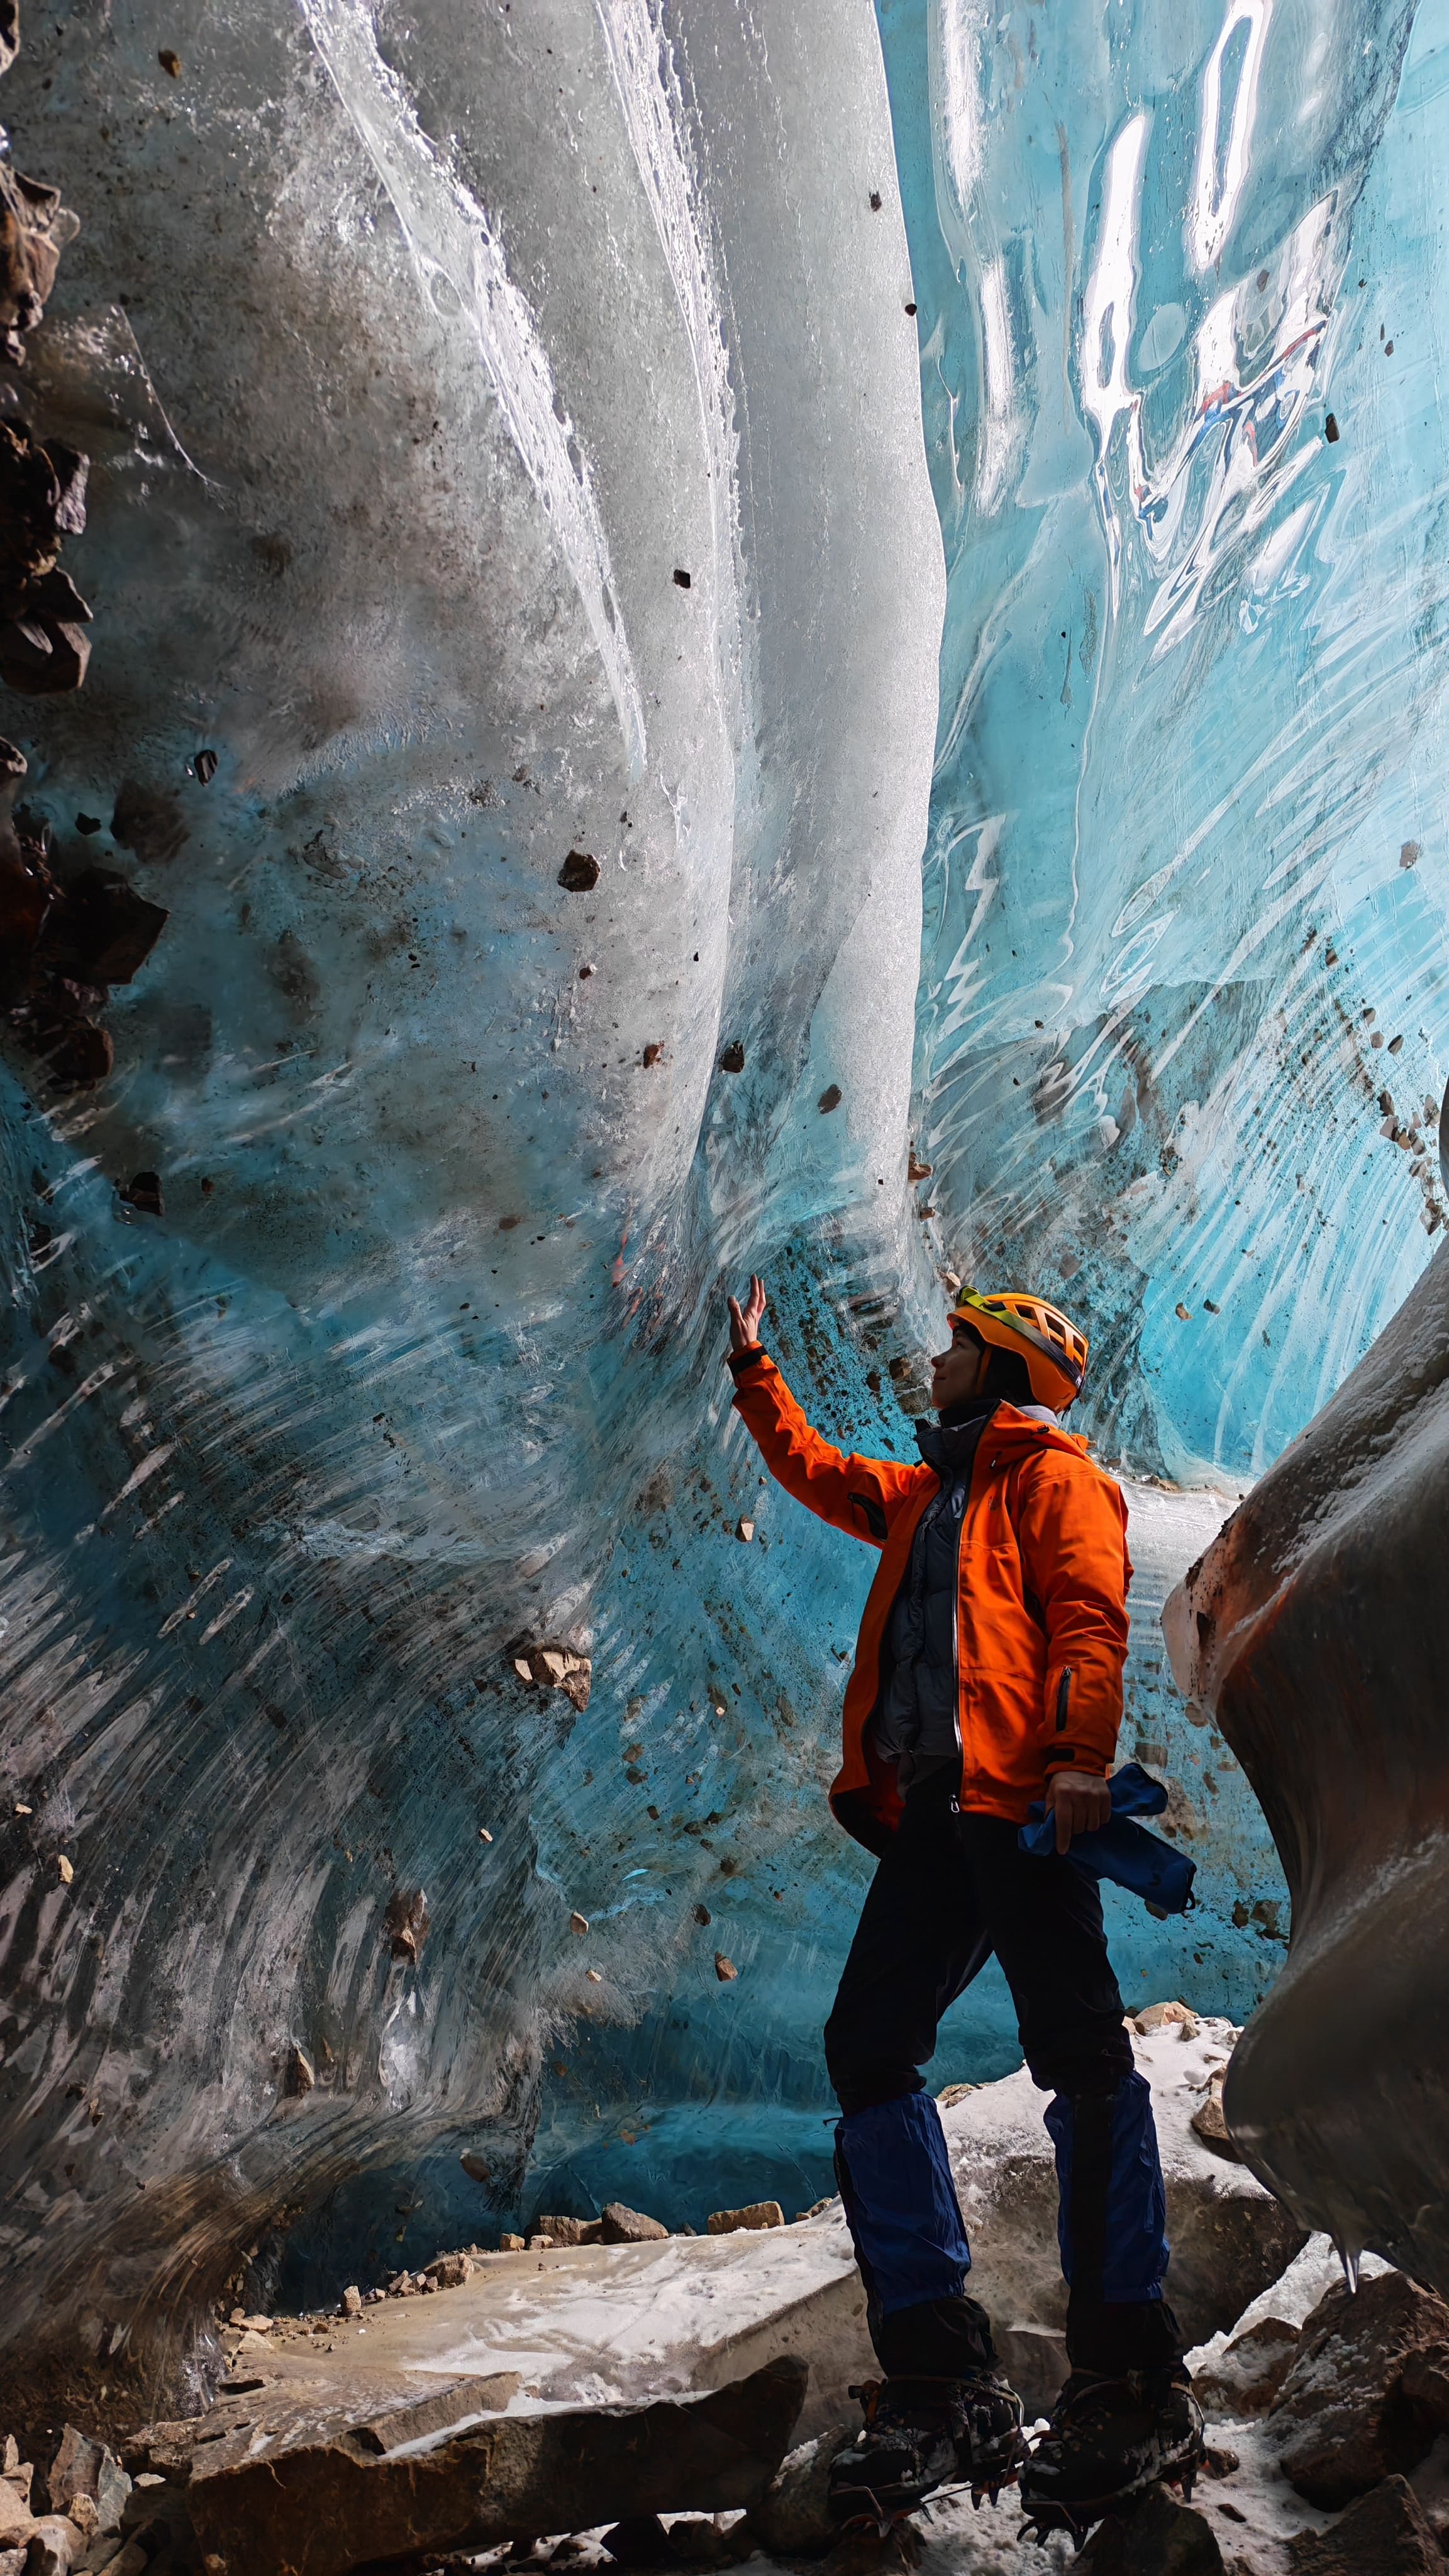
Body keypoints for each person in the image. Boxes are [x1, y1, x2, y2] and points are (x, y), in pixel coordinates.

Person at [724, 1275, 1204, 2536]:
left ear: (1001, 1364)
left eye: (956, 1346)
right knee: (869, 2045)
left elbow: (1089, 1619)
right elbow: (825, 1474)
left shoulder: (1055, 1480)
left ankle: (1131, 2369)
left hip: (1026, 1803)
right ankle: (942, 2376)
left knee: (1084, 2056)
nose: (934, 1362)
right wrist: (754, 1375)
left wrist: (1081, 1758)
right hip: (941, 1807)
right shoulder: (933, 1491)